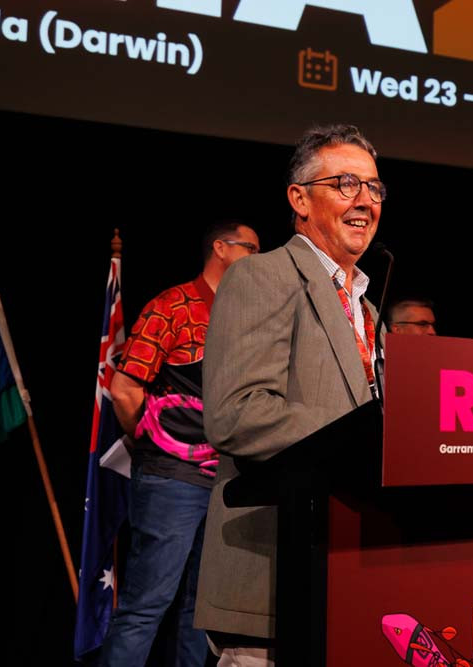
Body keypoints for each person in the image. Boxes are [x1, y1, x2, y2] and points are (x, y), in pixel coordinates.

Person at [196, 124, 385, 666]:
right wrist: (369, 432)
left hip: (347, 582)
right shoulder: (262, 276)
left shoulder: (369, 309)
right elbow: (237, 415)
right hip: (272, 580)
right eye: (346, 184)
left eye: (374, 188)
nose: (365, 201)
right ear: (299, 199)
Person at [100, 221, 260, 667]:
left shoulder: (248, 314)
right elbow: (126, 389)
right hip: (173, 478)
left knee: (201, 613)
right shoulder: (174, 306)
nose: (258, 258)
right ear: (221, 248)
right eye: (251, 248)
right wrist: (158, 442)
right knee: (147, 604)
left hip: (228, 481)